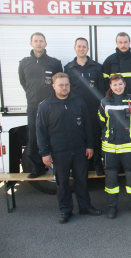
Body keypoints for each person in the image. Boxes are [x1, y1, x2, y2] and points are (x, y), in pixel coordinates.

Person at [36, 73, 102, 223]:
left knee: (81, 181)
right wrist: (44, 153)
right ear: (53, 86)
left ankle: (85, 207)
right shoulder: (45, 106)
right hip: (59, 152)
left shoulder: (79, 103)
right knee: (63, 183)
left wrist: (90, 146)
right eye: (61, 85)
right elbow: (40, 132)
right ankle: (66, 211)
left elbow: (88, 127)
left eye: (66, 84)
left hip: (79, 150)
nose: (64, 87)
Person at [98, 74, 131, 219]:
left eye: (120, 84)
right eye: (115, 85)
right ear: (110, 86)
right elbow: (101, 122)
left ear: (124, 85)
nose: (118, 87)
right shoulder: (104, 102)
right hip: (109, 147)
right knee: (110, 178)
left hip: (128, 147)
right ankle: (112, 208)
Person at [19, 32, 63, 178]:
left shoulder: (54, 63)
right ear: (31, 44)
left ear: (45, 44)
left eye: (41, 41)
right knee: (34, 138)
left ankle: (60, 167)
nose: (38, 43)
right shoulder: (24, 63)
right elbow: (24, 82)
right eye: (36, 41)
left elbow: (59, 83)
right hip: (33, 106)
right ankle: (37, 168)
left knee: (54, 136)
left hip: (51, 105)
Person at [64, 37, 105, 176]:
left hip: (93, 109)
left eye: (84, 46)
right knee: (78, 138)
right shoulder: (68, 68)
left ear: (88, 49)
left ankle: (97, 165)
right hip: (75, 110)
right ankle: (83, 166)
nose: (81, 48)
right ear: (75, 48)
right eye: (79, 46)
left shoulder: (97, 67)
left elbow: (101, 89)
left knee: (95, 136)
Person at [102, 32, 131, 103]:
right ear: (116, 43)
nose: (123, 45)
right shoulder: (109, 61)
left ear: (129, 43)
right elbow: (105, 83)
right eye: (120, 42)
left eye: (125, 42)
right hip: (114, 101)